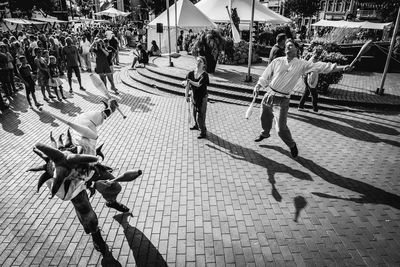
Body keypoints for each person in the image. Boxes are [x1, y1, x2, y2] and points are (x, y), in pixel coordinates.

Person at [253, 39, 353, 157]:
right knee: (264, 117)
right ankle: (265, 134)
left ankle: (291, 145)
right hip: (268, 95)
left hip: (282, 100)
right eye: (286, 46)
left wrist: (342, 68)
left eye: (290, 46)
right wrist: (258, 86)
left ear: (297, 49)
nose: (287, 47)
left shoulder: (302, 64)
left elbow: (321, 67)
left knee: (281, 129)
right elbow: (266, 74)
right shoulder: (277, 61)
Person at [183, 56, 209, 139]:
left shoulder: (205, 75)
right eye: (197, 61)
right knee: (194, 113)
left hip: (202, 98)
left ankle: (203, 132)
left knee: (200, 116)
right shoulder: (191, 73)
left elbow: (198, 84)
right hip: (194, 96)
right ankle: (196, 125)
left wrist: (190, 81)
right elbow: (187, 86)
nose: (198, 62)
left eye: (200, 61)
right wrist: (186, 96)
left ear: (203, 64)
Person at [298, 46, 324, 112]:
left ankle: (300, 106)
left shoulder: (313, 57)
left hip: (307, 77)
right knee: (314, 94)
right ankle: (315, 110)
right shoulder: (315, 58)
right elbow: (313, 70)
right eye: (320, 53)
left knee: (306, 92)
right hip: (310, 78)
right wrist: (312, 81)